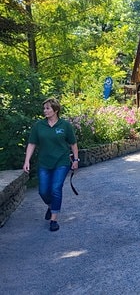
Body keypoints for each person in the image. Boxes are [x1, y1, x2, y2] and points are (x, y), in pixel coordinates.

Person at [23, 98, 79, 232]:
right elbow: (32, 143)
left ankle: (53, 220)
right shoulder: (39, 126)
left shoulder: (65, 125)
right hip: (44, 163)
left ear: (56, 110)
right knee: (43, 191)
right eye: (44, 108)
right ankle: (50, 205)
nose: (45, 111)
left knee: (55, 188)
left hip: (61, 162)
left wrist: (76, 160)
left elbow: (73, 143)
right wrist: (27, 161)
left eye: (48, 108)